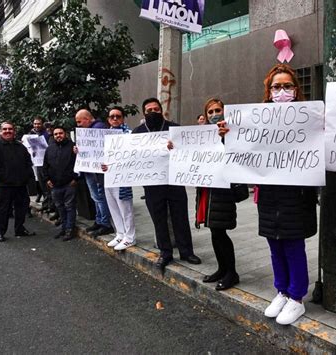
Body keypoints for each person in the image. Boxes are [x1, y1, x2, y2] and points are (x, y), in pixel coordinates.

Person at [218, 64, 318, 325]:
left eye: (287, 86)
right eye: (276, 87)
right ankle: (282, 290)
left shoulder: (309, 118)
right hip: (269, 193)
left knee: (293, 245)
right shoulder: (257, 118)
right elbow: (243, 151)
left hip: (296, 194)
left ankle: (297, 297)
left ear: (296, 90)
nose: (281, 91)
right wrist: (226, 137)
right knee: (274, 244)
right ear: (268, 90)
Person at [133, 98, 201, 270]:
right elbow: (131, 158)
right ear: (144, 113)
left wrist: (176, 148)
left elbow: (188, 152)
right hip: (152, 185)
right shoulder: (137, 133)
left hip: (174, 182)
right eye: (149, 110)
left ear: (161, 110)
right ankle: (165, 252)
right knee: (159, 219)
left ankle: (186, 251)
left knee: (180, 217)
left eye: (156, 109)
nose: (153, 112)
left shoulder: (175, 129)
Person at [193, 98, 247, 290]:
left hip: (223, 189)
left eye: (218, 110)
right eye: (210, 112)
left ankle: (231, 273)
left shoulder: (233, 133)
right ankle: (222, 269)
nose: (214, 114)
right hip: (208, 189)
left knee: (220, 231)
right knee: (214, 231)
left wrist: (225, 138)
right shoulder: (204, 135)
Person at [0, 122, 36, 242]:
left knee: (22, 207)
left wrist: (27, 178)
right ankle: (0, 232)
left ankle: (19, 229)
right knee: (4, 208)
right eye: (4, 129)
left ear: (14, 131)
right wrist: (3, 178)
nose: (7, 131)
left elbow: (28, 162)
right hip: (4, 184)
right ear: (0, 131)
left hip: (20, 184)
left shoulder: (20, 146)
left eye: (10, 129)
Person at [74, 109, 114, 237]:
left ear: (87, 119)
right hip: (91, 169)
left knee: (99, 196)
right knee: (95, 196)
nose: (78, 124)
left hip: (97, 172)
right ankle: (99, 220)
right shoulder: (89, 130)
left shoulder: (98, 128)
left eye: (79, 121)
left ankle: (105, 223)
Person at [101, 107, 136, 251]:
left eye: (118, 116)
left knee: (125, 208)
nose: (115, 119)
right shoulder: (103, 136)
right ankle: (120, 234)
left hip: (122, 177)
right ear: (108, 119)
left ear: (122, 118)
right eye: (112, 116)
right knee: (113, 207)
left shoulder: (129, 134)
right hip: (108, 176)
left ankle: (130, 237)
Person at [42, 126, 78, 241]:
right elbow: (45, 166)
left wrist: (75, 178)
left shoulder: (73, 147)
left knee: (70, 207)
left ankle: (69, 230)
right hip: (55, 185)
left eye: (60, 133)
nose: (58, 136)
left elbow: (79, 163)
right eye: (56, 134)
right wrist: (47, 179)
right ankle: (63, 228)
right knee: (60, 208)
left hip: (69, 184)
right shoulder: (49, 149)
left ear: (65, 134)